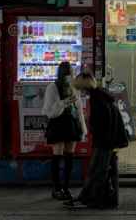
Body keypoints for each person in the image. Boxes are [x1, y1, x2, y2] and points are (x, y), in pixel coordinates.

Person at [67, 73, 129, 209]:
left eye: (81, 88)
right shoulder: (100, 94)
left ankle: (92, 200)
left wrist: (91, 125)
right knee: (99, 170)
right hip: (108, 141)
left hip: (104, 142)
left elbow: (102, 122)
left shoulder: (97, 99)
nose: (81, 92)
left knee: (98, 171)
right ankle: (91, 198)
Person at [42, 62, 87, 200]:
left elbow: (79, 109)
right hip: (58, 123)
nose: (70, 75)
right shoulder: (52, 87)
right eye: (68, 72)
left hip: (71, 123)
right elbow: (50, 112)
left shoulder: (73, 87)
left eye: (71, 72)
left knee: (69, 157)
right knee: (57, 156)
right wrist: (66, 101)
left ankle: (66, 188)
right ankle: (57, 188)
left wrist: (84, 128)